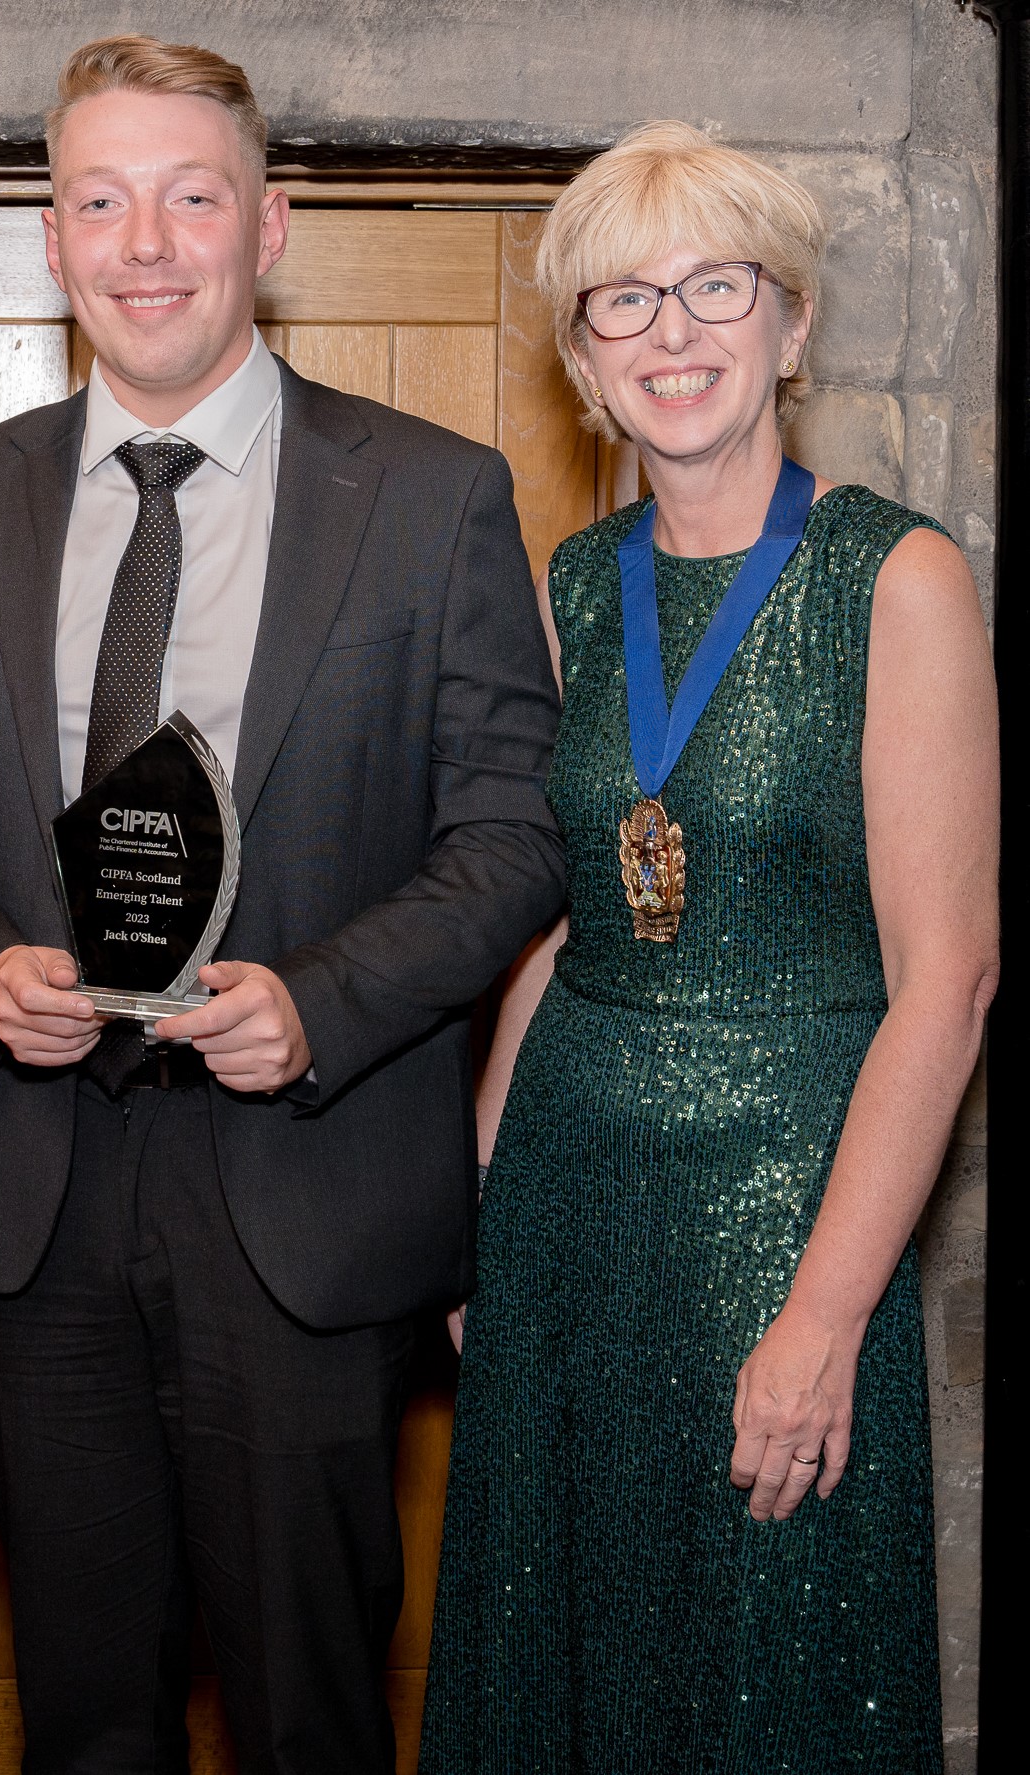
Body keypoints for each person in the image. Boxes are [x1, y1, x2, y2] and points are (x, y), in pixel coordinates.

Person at [0, 33, 564, 1775]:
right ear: (51, 236)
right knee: (85, 1717)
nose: (147, 242)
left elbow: (512, 838)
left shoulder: (434, 494)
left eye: (193, 197)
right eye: (102, 200)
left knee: (311, 1709)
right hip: (37, 1193)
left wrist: (317, 1001)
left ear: (275, 225)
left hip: (305, 1191)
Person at [420, 121, 998, 1773]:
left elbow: (949, 981)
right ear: (585, 360)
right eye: (622, 302)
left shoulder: (900, 579)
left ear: (792, 324)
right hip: (569, 1209)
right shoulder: (575, 584)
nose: (671, 334)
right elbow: (552, 925)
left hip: (797, 1210)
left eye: (714, 289)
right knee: (567, 1649)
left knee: (771, 1671)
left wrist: (823, 1319)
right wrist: (480, 1217)